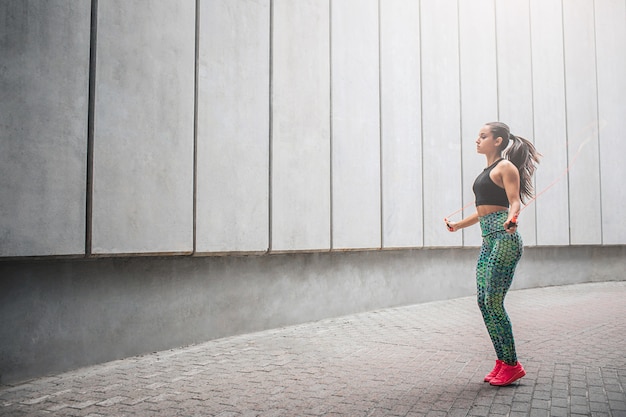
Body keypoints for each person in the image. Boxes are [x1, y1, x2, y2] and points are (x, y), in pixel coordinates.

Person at [444, 122, 540, 386]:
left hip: (504, 239)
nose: (477, 140)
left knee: (494, 301)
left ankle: (512, 364)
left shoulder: (505, 167)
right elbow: (483, 210)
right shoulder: (487, 171)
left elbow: (514, 201)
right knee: (483, 301)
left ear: (498, 141)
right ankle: (502, 361)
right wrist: (457, 225)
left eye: (483, 136)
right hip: (488, 241)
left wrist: (512, 219)